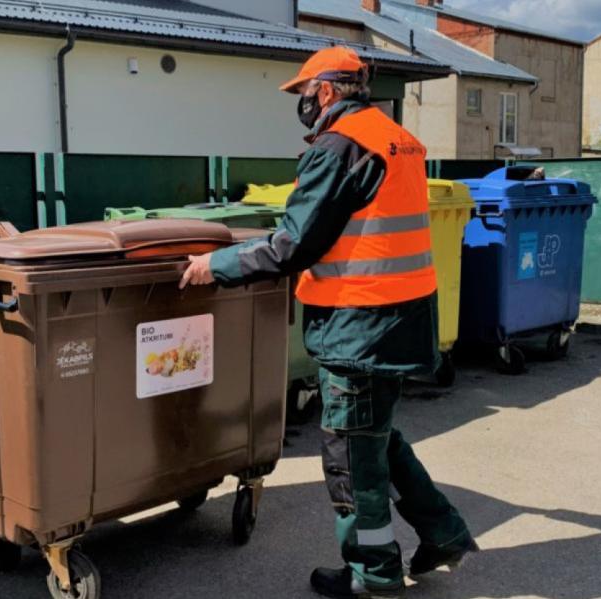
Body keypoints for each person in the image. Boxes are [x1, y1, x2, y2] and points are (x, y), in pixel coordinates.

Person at [179, 46, 478, 598]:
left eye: (302, 94)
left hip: (359, 325)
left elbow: (294, 242)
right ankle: (444, 532)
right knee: (377, 440)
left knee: (351, 459)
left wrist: (214, 265)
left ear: (326, 90)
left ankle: (375, 574)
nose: (301, 105)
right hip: (402, 317)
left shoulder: (339, 146)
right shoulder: (396, 137)